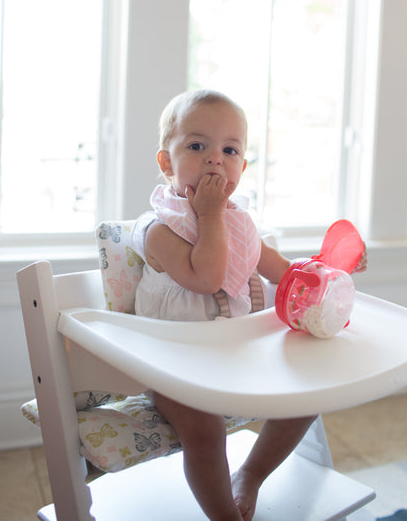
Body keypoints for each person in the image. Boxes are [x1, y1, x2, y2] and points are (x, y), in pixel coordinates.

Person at [133, 89, 367, 521]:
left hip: (238, 359)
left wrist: (333, 268)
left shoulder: (239, 224)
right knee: (207, 430)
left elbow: (285, 273)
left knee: (306, 397)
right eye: (197, 146)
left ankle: (252, 475)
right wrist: (208, 217)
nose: (214, 159)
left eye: (230, 150)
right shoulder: (157, 229)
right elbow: (207, 279)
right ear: (167, 162)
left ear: (242, 166)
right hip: (172, 365)